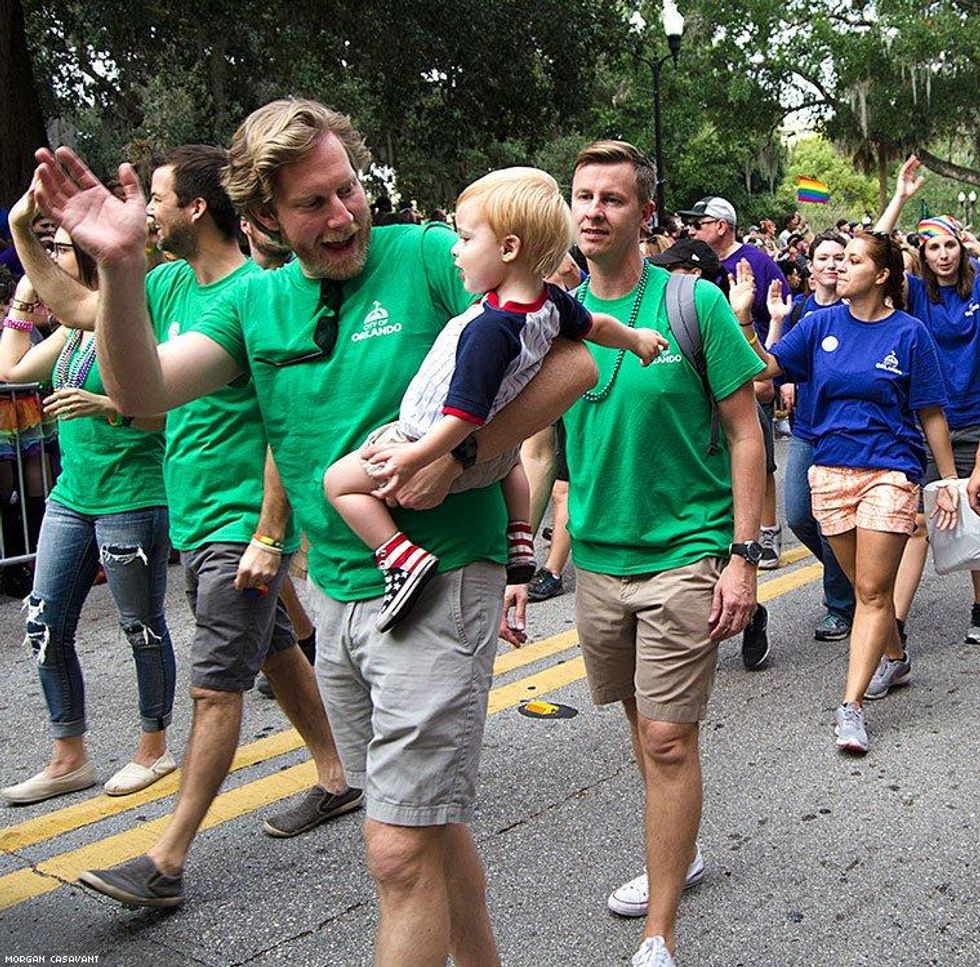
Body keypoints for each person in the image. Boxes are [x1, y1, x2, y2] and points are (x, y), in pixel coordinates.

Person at [34, 99, 595, 962]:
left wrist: (461, 451)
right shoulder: (252, 304)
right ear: (262, 217)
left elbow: (572, 361)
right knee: (426, 825)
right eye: (313, 204)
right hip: (336, 594)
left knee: (396, 848)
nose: (343, 215)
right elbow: (142, 389)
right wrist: (115, 268)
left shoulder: (426, 258)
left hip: (442, 578)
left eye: (348, 189)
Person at [15, 144, 352, 907]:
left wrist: (270, 534)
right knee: (272, 654)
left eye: (160, 197)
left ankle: (165, 860)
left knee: (212, 688)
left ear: (197, 208)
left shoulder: (263, 295)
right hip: (195, 515)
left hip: (239, 523)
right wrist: (28, 235)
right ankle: (337, 776)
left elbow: (284, 427)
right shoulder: (164, 282)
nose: (150, 210)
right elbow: (75, 311)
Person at [532, 139, 765, 967]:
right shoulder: (553, 317)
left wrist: (743, 554)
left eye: (612, 199)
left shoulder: (691, 305)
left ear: (644, 215)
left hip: (685, 554)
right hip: (597, 558)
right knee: (641, 725)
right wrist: (532, 564)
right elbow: (541, 448)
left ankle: (659, 930)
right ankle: (683, 848)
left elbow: (746, 434)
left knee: (667, 737)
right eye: (582, 196)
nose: (592, 211)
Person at [323, 167, 666, 631]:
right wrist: (635, 339)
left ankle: (400, 558)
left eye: (465, 239)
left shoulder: (490, 329)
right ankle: (520, 535)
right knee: (512, 462)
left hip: (426, 438)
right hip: (497, 459)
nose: (455, 250)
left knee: (338, 483)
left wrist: (414, 457)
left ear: (508, 249)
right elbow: (597, 326)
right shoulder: (551, 302)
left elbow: (463, 416)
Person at [750, 231, 959, 754]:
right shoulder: (819, 323)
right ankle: (894, 656)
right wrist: (742, 318)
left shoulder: (910, 335)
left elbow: (931, 413)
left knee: (868, 591)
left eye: (853, 260)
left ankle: (851, 707)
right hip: (830, 471)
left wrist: (948, 483)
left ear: (882, 274)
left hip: (890, 470)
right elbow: (765, 370)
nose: (839, 268)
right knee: (866, 585)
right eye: (838, 260)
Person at [0, 211, 175, 805]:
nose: (49, 257)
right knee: (44, 624)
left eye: (59, 250)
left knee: (141, 627)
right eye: (46, 248)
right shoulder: (73, 330)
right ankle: (67, 757)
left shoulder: (129, 320)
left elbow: (165, 412)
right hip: (72, 499)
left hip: (134, 496)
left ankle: (154, 749)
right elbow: (13, 368)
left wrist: (108, 405)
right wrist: (24, 300)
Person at [873, 155, 980, 656]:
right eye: (933, 246)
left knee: (974, 517)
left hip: (975, 421)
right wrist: (900, 198)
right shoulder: (914, 294)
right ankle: (893, 625)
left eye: (951, 244)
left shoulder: (978, 285)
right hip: (924, 424)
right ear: (922, 252)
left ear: (963, 247)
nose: (943, 254)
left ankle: (979, 606)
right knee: (917, 523)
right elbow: (874, 251)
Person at [683, 195, 789, 571]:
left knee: (759, 454)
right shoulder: (697, 264)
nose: (693, 228)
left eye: (700, 222)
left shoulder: (756, 262)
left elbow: (780, 308)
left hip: (748, 366)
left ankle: (768, 530)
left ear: (722, 226)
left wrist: (782, 373)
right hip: (703, 372)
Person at [779, 232, 856, 641]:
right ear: (810, 267)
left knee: (832, 521)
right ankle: (850, 575)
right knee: (798, 515)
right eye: (823, 257)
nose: (831, 264)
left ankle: (840, 606)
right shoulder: (800, 311)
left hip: (842, 431)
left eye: (840, 257)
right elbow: (775, 363)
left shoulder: (858, 309)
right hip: (806, 428)